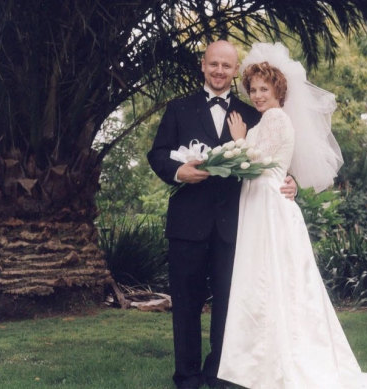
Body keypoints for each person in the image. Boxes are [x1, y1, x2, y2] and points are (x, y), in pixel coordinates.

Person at [217, 43, 367, 389]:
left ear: (279, 89)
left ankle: (275, 364)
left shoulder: (276, 119)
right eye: (254, 89)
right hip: (262, 203)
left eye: (265, 89)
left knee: (272, 279)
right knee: (269, 281)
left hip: (269, 207)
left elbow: (255, 163)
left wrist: (238, 139)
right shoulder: (266, 120)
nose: (259, 95)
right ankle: (263, 363)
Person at [147, 40, 297, 389]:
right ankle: (186, 376)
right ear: (203, 65)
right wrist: (178, 171)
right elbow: (157, 154)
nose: (219, 71)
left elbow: (276, 154)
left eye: (226, 66)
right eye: (213, 64)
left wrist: (292, 183)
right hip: (187, 223)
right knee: (185, 304)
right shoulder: (178, 108)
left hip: (238, 225)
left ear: (234, 70)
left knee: (231, 304)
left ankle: (221, 374)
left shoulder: (254, 112)